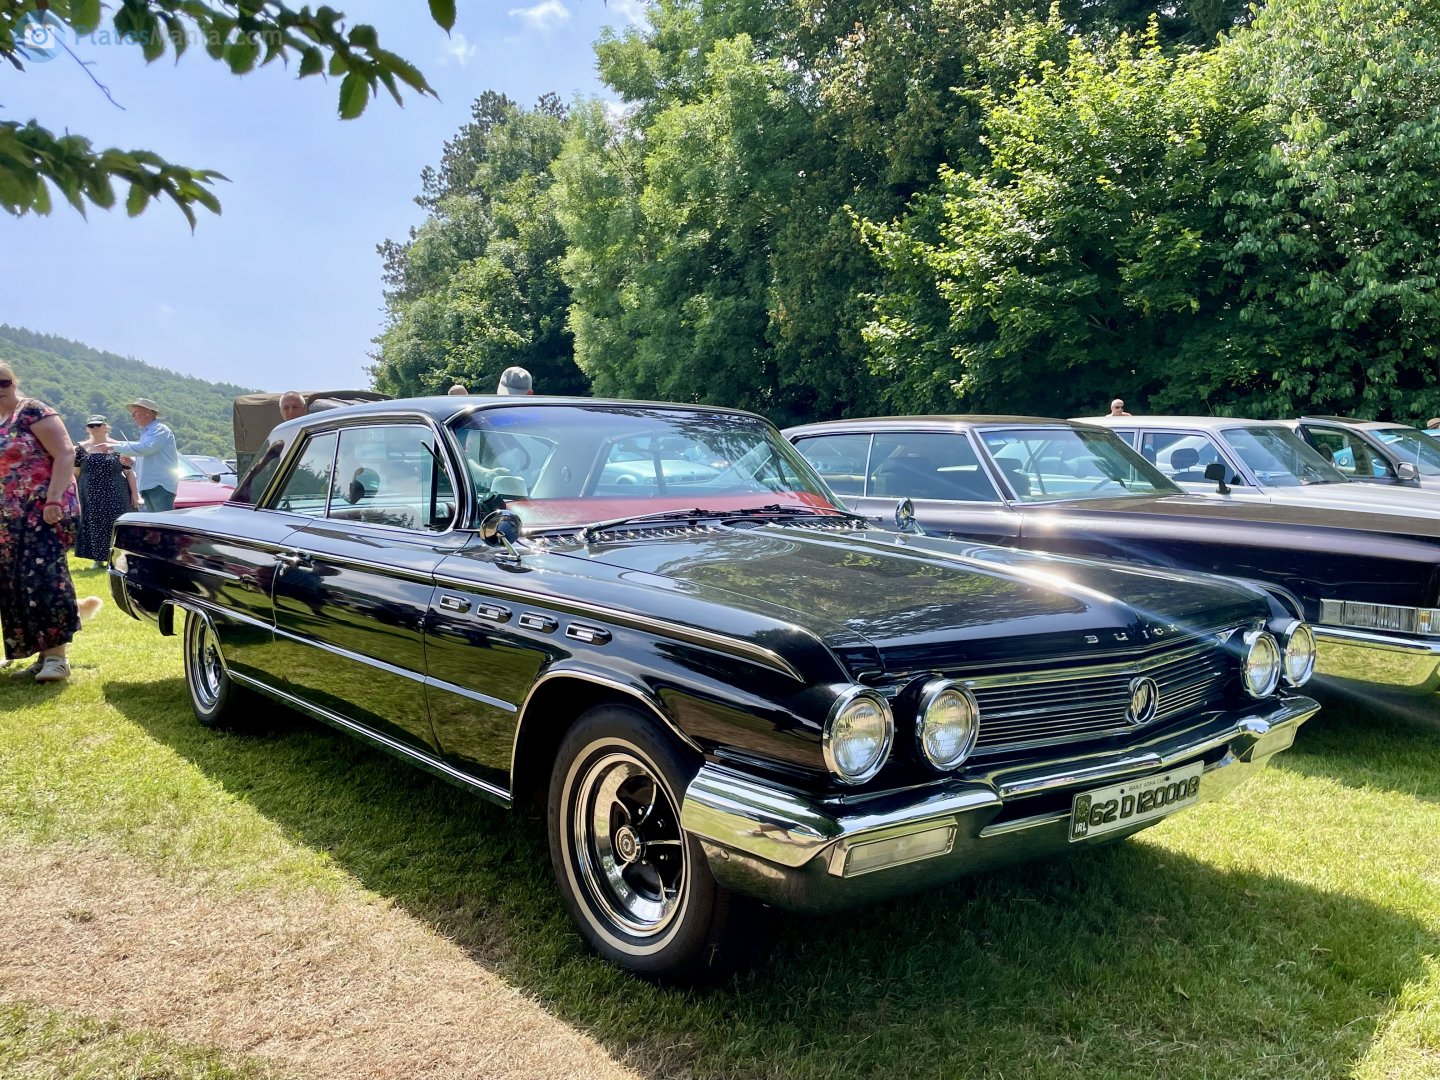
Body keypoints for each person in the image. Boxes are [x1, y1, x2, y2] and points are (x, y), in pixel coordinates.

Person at [0, 361, 84, 682]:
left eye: (4, 383)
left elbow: (65, 453)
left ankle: (58, 658)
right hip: (8, 519)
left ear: (14, 383)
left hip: (43, 511)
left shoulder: (33, 411)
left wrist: (54, 499)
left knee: (45, 578)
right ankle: (41, 656)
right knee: (16, 586)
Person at [74, 415, 139, 571]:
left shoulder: (118, 446)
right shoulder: (81, 449)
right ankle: (97, 559)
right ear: (87, 429)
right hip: (89, 493)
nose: (94, 428)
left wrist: (135, 495)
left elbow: (129, 472)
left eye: (98, 425)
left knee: (115, 524)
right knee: (94, 523)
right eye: (91, 426)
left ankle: (118, 559)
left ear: (105, 426)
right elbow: (76, 473)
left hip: (116, 492)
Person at [97, 398, 180, 511]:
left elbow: (146, 448)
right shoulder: (148, 432)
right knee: (157, 520)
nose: (132, 416)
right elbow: (148, 455)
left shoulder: (160, 429)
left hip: (159, 485)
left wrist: (114, 446)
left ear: (148, 412)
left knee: (162, 520)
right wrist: (133, 463)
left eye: (135, 412)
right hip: (151, 485)